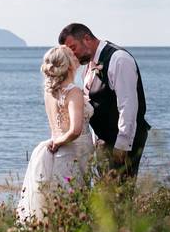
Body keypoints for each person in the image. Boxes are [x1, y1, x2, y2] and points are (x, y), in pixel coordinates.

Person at [58, 23, 150, 182]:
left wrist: (122, 145)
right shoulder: (89, 64)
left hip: (122, 142)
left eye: (73, 48)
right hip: (103, 142)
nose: (72, 55)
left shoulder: (119, 59)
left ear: (87, 39)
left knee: (119, 195)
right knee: (106, 197)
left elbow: (128, 106)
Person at [16, 45, 94, 222]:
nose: (76, 58)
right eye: (72, 56)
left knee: (55, 202)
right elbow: (75, 130)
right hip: (73, 151)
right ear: (68, 64)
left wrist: (57, 142)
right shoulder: (73, 92)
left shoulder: (49, 92)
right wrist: (59, 143)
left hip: (56, 152)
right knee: (74, 200)